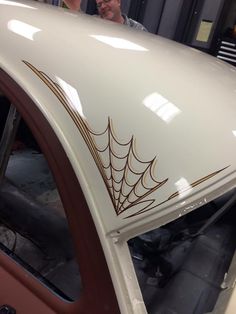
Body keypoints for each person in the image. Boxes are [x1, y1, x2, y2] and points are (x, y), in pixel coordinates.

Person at [63, 0, 147, 31]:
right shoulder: (95, 22)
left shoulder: (138, 30)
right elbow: (82, 22)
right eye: (99, 4)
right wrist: (76, 8)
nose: (102, 6)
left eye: (106, 1)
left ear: (118, 2)